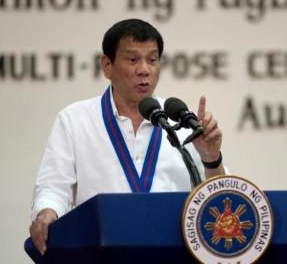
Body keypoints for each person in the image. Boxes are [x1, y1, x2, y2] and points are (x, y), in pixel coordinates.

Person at [29, 19, 226, 255]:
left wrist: (211, 157)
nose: (144, 69)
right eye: (132, 60)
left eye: (152, 60)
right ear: (107, 66)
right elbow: (54, 187)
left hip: (174, 254)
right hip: (101, 253)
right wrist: (47, 212)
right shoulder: (74, 120)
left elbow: (219, 199)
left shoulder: (183, 122)